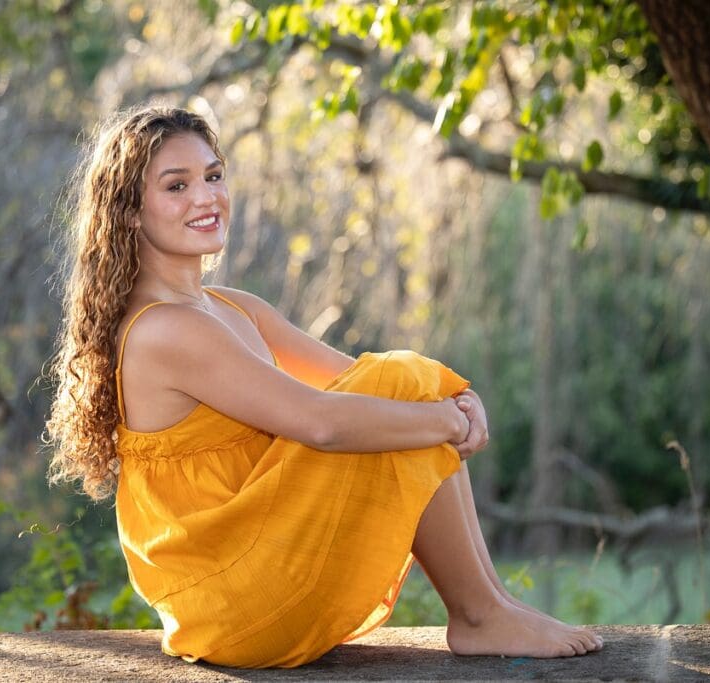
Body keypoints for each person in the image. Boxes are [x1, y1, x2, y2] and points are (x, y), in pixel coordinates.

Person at [45, 104, 603, 668]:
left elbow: (357, 382)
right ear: (131, 213)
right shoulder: (166, 330)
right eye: (176, 185)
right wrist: (445, 420)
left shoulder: (233, 308)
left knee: (399, 382)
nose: (206, 197)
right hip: (233, 594)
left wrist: (457, 399)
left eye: (213, 176)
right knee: (400, 384)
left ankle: (492, 606)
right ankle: (481, 614)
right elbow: (323, 422)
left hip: (261, 561)